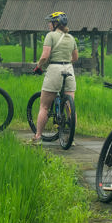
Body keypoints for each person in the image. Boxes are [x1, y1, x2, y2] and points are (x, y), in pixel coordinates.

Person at [31, 10, 79, 142]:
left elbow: (45, 56)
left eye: (50, 23)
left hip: (55, 69)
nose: (49, 25)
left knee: (44, 106)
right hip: (69, 69)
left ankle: (38, 136)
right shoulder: (71, 38)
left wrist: (38, 66)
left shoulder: (50, 36)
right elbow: (75, 57)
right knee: (70, 106)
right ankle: (71, 139)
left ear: (56, 24)